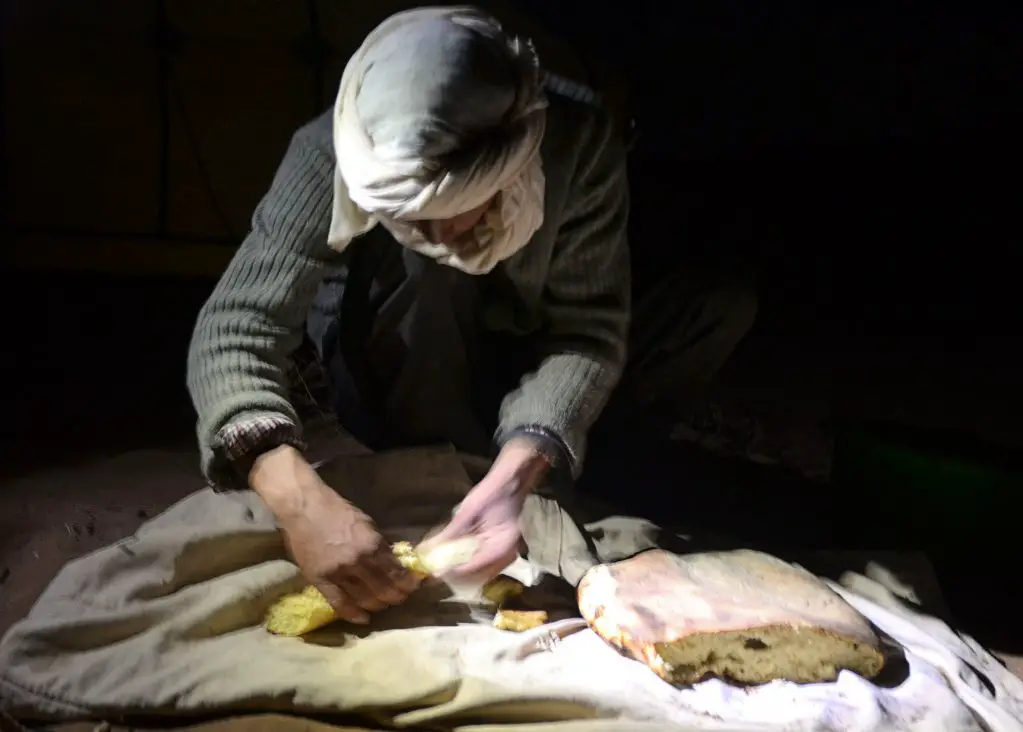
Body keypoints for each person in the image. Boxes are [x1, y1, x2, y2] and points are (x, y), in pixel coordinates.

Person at [186, 7, 756, 627]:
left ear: (508, 162)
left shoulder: (574, 141)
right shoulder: (337, 148)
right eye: (409, 212)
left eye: (455, 206)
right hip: (407, 354)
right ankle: (452, 468)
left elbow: (585, 330)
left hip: (519, 348)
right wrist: (299, 502)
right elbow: (235, 327)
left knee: (714, 306)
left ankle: (536, 471)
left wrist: (518, 472)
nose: (434, 228)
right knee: (432, 266)